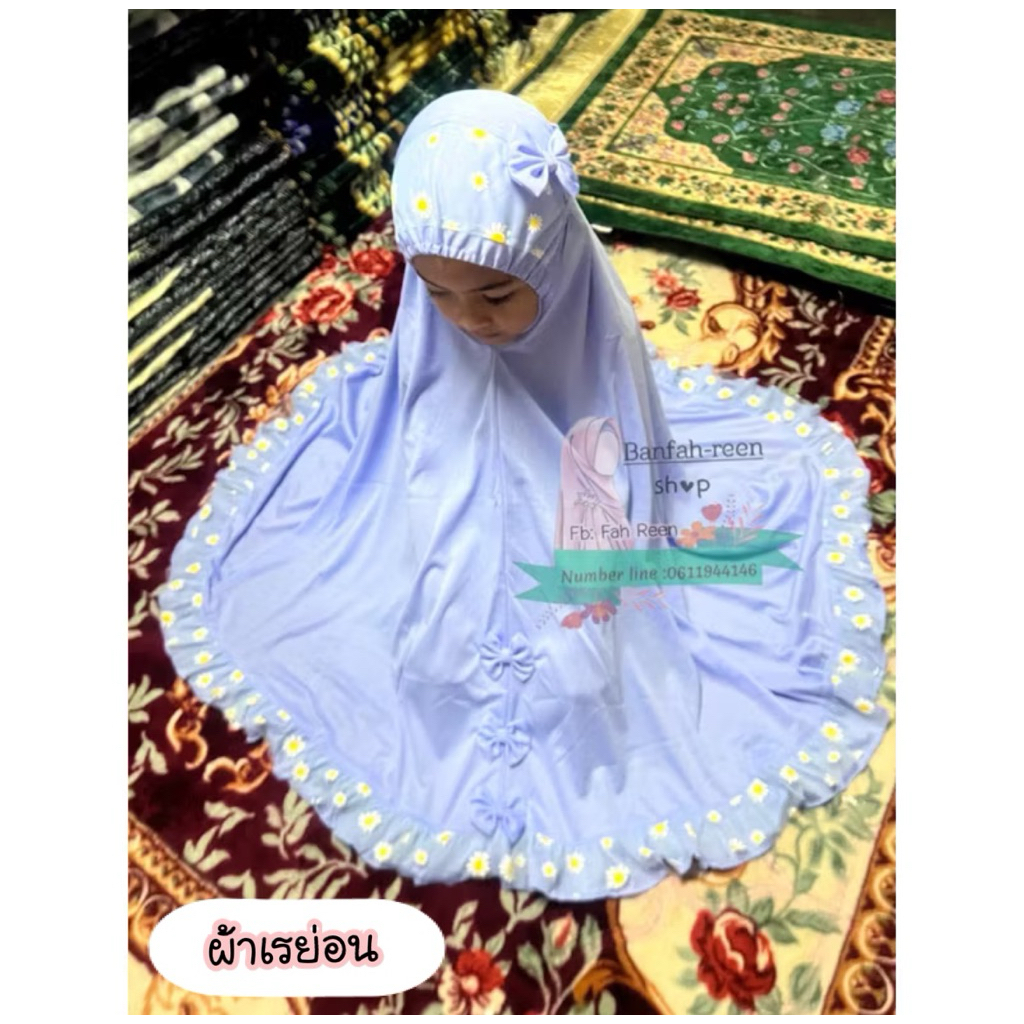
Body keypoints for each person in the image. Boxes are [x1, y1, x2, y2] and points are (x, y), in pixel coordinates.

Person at [158, 90, 887, 900]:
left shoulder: (593, 328)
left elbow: (609, 451)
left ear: (553, 258)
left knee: (584, 650)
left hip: (592, 469)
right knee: (414, 605)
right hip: (443, 456)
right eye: (437, 292)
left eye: (497, 295)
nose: (468, 319)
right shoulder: (443, 331)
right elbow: (426, 417)